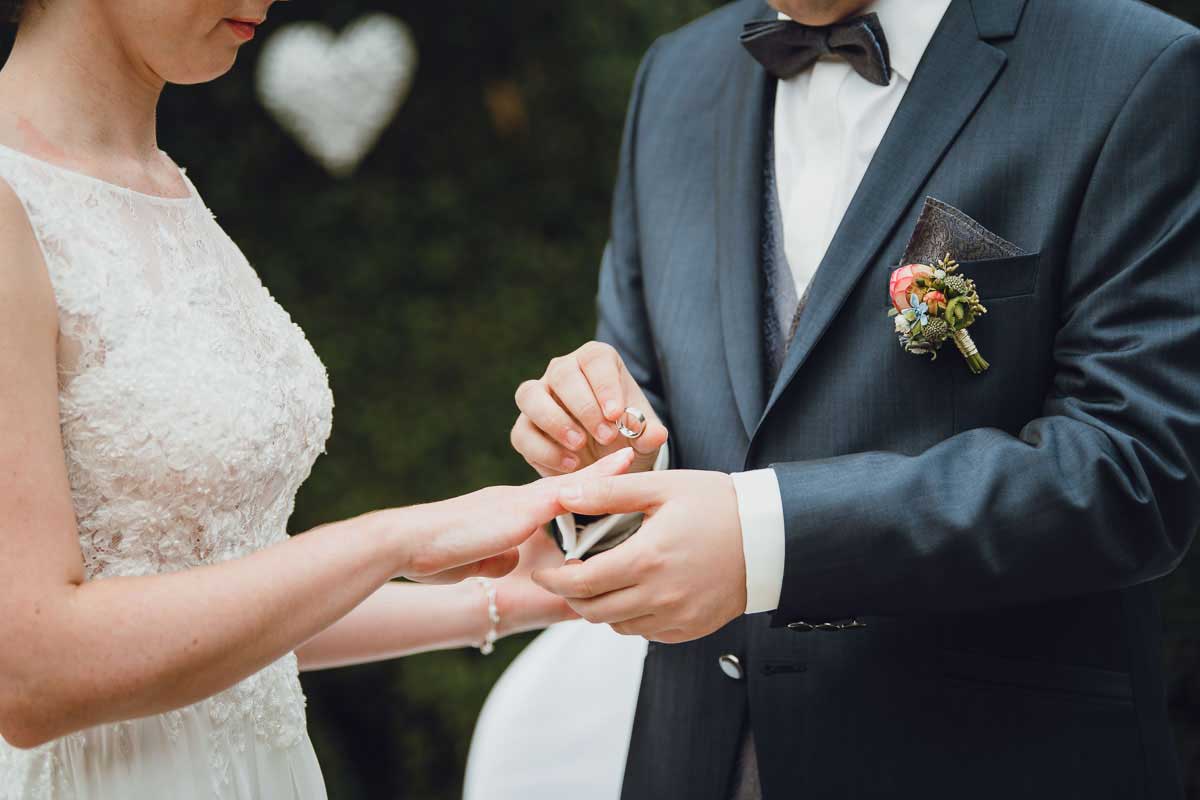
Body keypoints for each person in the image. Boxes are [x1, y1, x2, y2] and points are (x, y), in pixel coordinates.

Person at [510, 0, 1200, 798]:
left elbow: (1132, 469)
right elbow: (645, 394)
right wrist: (607, 463)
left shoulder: (1136, 69)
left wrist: (767, 538)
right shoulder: (677, 75)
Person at [0, 1, 635, 797]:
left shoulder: (163, 184)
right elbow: (29, 674)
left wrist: (511, 595)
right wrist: (394, 539)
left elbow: (227, 596)